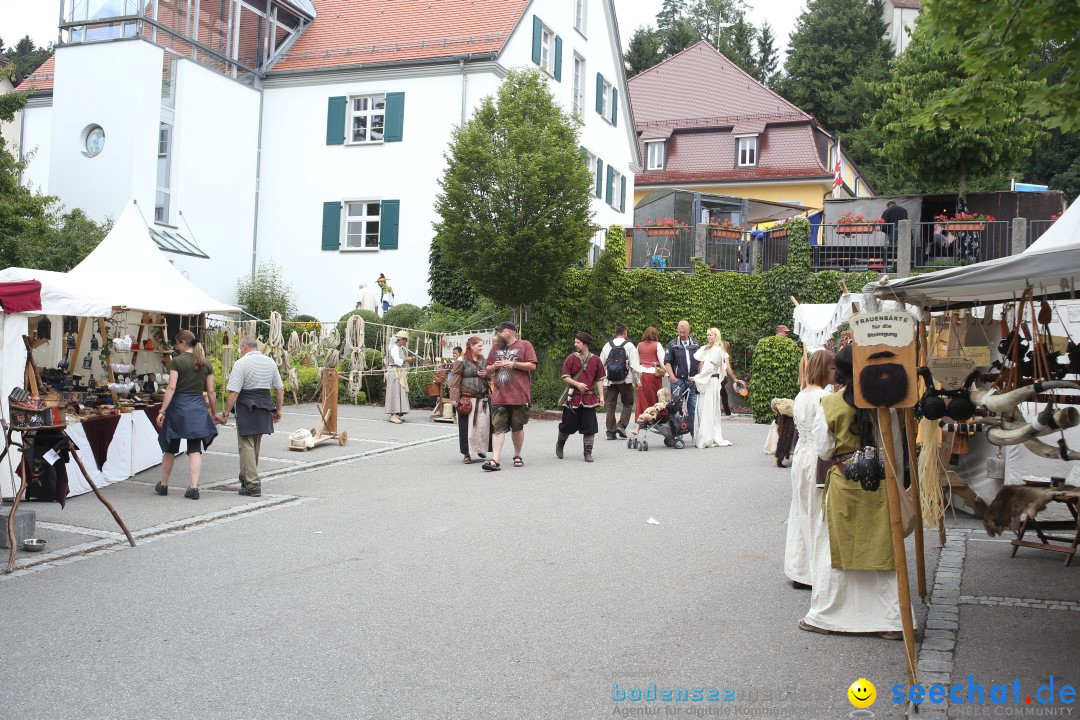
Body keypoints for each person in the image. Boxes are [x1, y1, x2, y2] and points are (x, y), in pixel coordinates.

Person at [800, 345, 903, 640]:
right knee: (881, 548)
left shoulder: (830, 404)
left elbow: (824, 449)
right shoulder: (886, 407)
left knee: (835, 549)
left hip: (845, 482)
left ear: (842, 371)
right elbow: (894, 448)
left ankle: (829, 616)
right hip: (880, 485)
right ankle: (890, 621)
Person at [783, 349, 834, 589]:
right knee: (817, 513)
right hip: (815, 456)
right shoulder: (824, 397)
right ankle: (814, 572)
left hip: (801, 455)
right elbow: (824, 438)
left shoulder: (801, 394)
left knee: (800, 510)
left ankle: (799, 568)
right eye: (832, 368)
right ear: (825, 370)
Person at [154, 329, 220, 500]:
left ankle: (163, 484)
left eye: (177, 343)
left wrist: (162, 410)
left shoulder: (177, 361)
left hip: (178, 409)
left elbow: (171, 387)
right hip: (197, 408)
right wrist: (214, 413)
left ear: (183, 343)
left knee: (170, 448)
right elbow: (211, 391)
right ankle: (193, 487)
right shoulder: (206, 363)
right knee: (194, 449)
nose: (176, 346)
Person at [218, 336, 284, 497]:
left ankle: (253, 484)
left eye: (241, 348)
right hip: (265, 404)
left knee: (246, 444)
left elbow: (234, 391)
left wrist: (226, 413)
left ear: (244, 347)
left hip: (246, 406)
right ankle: (246, 477)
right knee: (255, 443)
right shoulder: (270, 362)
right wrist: (278, 410)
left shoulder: (241, 363)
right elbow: (280, 388)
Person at [483, 321, 537, 471]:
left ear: (511, 331)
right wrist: (494, 366)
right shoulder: (496, 347)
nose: (499, 334)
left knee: (517, 427)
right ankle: (495, 460)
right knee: (498, 428)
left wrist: (514, 365)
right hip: (499, 394)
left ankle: (517, 455)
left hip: (519, 394)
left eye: (501, 331)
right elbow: (487, 369)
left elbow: (532, 365)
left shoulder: (525, 345)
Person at [557, 331, 605, 462]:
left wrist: (601, 396)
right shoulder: (571, 358)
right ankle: (560, 444)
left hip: (589, 399)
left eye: (577, 342)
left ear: (585, 344)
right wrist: (577, 384)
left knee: (590, 426)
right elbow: (565, 377)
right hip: (573, 398)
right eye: (575, 342)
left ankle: (587, 453)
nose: (575, 344)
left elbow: (600, 379)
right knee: (568, 425)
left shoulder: (596, 360)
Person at [691, 327, 738, 448]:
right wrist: (705, 347)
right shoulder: (709, 349)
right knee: (703, 408)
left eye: (711, 335)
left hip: (711, 381)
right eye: (707, 335)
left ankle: (708, 437)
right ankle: (706, 436)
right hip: (707, 381)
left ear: (716, 336)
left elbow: (710, 368)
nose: (708, 337)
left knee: (709, 409)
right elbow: (697, 356)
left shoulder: (718, 350)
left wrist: (697, 378)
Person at [449, 336, 491, 464]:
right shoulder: (461, 360)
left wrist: (486, 374)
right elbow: (455, 380)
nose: (481, 347)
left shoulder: (482, 359)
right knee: (467, 428)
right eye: (479, 345)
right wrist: (454, 398)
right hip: (467, 400)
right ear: (471, 346)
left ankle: (480, 449)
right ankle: (466, 454)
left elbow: (489, 375)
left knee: (483, 426)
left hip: (482, 398)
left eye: (482, 345)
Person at [599, 323, 639, 440]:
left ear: (616, 332)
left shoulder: (607, 345)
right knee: (628, 403)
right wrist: (637, 381)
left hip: (610, 380)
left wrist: (603, 381)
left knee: (610, 406)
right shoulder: (629, 345)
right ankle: (621, 425)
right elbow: (635, 366)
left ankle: (610, 433)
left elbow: (601, 364)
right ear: (625, 332)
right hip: (625, 380)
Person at [664, 320, 700, 437]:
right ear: (677, 330)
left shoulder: (695, 343)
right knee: (676, 408)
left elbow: (700, 361)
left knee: (693, 408)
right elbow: (667, 362)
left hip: (692, 381)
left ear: (689, 330)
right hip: (678, 381)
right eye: (680, 332)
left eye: (684, 332)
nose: (682, 334)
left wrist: (700, 376)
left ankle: (695, 436)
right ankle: (677, 434)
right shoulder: (672, 344)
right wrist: (673, 378)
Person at [634, 326, 665, 421]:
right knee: (655, 395)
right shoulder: (657, 345)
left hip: (642, 372)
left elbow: (636, 361)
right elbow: (663, 360)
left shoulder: (639, 345)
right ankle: (654, 416)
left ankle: (641, 416)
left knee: (642, 396)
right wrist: (664, 370)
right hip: (653, 373)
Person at [385, 329, 415, 423]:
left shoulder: (399, 348)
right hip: (394, 372)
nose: (406, 342)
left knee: (398, 392)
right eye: (405, 340)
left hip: (398, 372)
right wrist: (408, 359)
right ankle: (393, 414)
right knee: (394, 392)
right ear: (401, 339)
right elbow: (397, 361)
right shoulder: (394, 348)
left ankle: (396, 414)